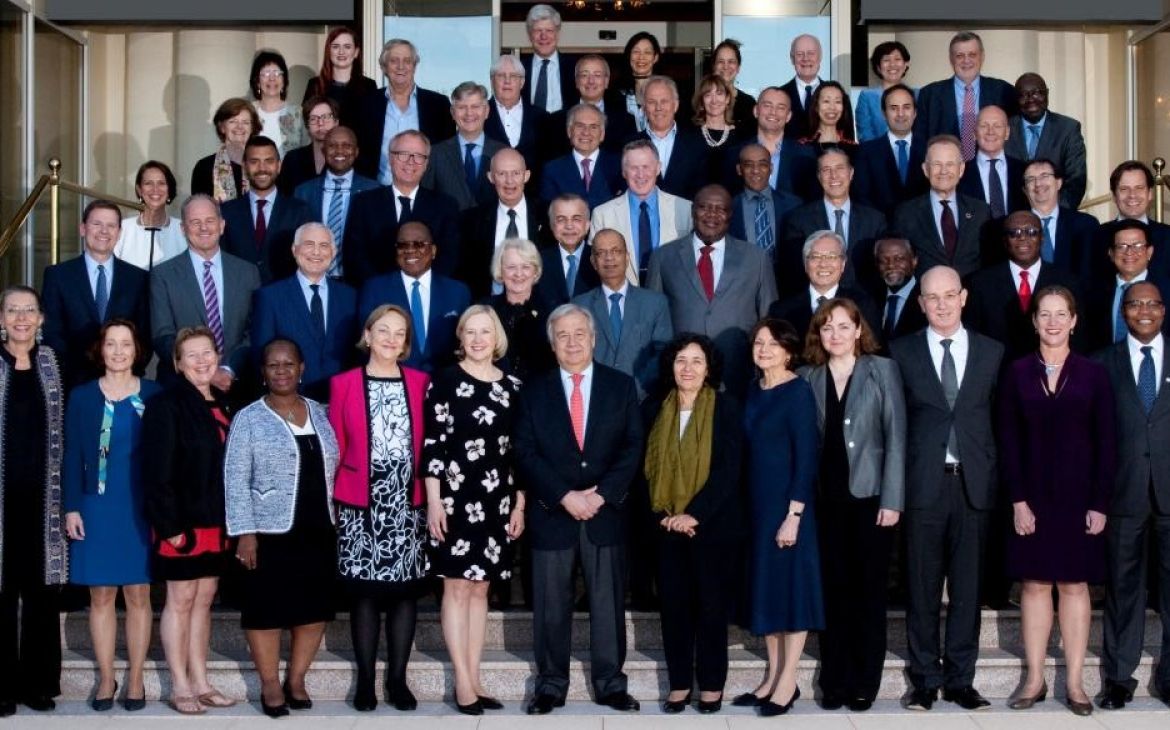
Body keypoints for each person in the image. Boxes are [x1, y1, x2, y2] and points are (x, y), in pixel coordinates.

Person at [513, 303, 644, 715]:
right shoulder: (533, 389)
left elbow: (633, 446)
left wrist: (601, 494)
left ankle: (610, 683)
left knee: (607, 603)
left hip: (605, 514)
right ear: (552, 345)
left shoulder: (621, 386)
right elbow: (524, 450)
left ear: (593, 339)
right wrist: (565, 496)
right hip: (553, 514)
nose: (572, 342)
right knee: (551, 604)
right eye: (563, 336)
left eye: (579, 334)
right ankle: (551, 684)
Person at [996, 285, 1116, 716]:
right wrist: (1018, 500)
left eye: (1060, 314)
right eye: (1043, 314)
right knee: (1033, 584)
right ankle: (1034, 679)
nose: (1051, 322)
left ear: (1074, 320)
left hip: (1080, 498)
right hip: (1032, 497)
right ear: (1033, 321)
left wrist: (1100, 502)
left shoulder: (1094, 373)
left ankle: (1077, 682)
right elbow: (1007, 441)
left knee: (1074, 584)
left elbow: (1108, 443)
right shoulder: (1016, 372)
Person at [889, 266, 1004, 712]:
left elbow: (997, 422)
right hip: (923, 487)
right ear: (919, 303)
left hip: (973, 485)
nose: (940, 304)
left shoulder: (992, 352)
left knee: (968, 590)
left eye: (948, 295)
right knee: (921, 588)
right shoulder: (901, 352)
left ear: (964, 297)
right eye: (931, 297)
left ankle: (961, 679)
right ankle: (924, 680)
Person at [224, 338, 339, 718]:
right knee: (265, 610)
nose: (282, 371)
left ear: (302, 367)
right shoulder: (249, 417)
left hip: (318, 527)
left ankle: (297, 678)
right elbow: (235, 477)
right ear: (263, 371)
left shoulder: (322, 413)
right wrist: (245, 531)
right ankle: (271, 683)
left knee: (313, 608)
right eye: (273, 365)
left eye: (289, 364)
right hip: (268, 533)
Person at [801, 298, 905, 711]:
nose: (836, 335)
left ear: (859, 330)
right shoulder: (807, 376)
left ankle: (865, 681)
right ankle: (835, 680)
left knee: (868, 594)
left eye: (844, 326)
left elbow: (897, 436)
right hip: (824, 502)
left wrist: (893, 499)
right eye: (827, 328)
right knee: (833, 593)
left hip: (871, 500)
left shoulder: (882, 370)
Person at [329, 304, 431, 712]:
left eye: (400, 333)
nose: (391, 339)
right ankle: (367, 682)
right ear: (367, 335)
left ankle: (398, 681)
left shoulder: (422, 382)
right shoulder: (344, 384)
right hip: (360, 500)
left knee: (405, 594)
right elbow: (334, 446)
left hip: (407, 501)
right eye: (383, 330)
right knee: (366, 595)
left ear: (406, 343)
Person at [423, 305, 524, 715]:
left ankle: (476, 677)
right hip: (454, 498)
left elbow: (520, 451)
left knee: (481, 587)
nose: (479, 339)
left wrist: (519, 502)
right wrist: (433, 501)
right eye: (471, 332)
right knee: (456, 585)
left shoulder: (514, 386)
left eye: (486, 331)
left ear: (496, 337)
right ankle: (462, 682)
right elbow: (433, 444)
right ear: (461, 338)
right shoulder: (444, 381)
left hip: (497, 499)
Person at [63, 319, 160, 713]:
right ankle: (106, 676)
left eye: (126, 344)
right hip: (96, 505)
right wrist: (71, 505)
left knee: (139, 593)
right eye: (111, 344)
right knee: (100, 594)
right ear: (100, 350)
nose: (118, 352)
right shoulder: (82, 396)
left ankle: (135, 676)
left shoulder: (154, 395)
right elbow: (71, 454)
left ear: (137, 351)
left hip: (140, 507)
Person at [644, 333, 743, 714]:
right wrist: (666, 517)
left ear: (709, 368)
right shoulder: (654, 408)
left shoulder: (726, 407)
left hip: (712, 526)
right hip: (667, 527)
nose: (688, 368)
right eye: (681, 360)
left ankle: (712, 686)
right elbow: (647, 472)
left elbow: (729, 468)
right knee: (675, 608)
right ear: (670, 366)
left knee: (711, 609)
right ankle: (680, 684)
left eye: (697, 361)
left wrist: (694, 513)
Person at [142, 326, 237, 715]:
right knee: (180, 601)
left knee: (204, 600)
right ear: (178, 364)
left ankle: (201, 681)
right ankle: (179, 685)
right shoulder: (166, 405)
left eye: (207, 353)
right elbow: (156, 473)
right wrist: (171, 528)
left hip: (218, 522)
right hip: (181, 523)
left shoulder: (228, 402)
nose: (202, 361)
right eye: (192, 355)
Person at [733, 318, 821, 716]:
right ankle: (771, 676)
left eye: (772, 344)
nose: (763, 349)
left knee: (792, 592)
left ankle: (789, 681)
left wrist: (794, 515)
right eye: (758, 343)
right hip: (757, 507)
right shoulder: (753, 389)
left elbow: (807, 458)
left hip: (788, 508)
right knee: (767, 590)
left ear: (789, 350)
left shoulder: (798, 391)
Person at [1098, 281, 1170, 710]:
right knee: (1123, 591)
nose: (1144, 311)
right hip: (1122, 495)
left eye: (1152, 304)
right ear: (1122, 312)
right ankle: (1119, 679)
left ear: (1163, 310)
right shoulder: (1101, 363)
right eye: (1135, 304)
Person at [0, 285, 67, 715]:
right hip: (2, 503)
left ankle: (39, 684)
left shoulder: (54, 364)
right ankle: (3, 687)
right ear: (1, 318)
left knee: (43, 594)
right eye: (12, 311)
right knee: (2, 595)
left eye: (29, 311)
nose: (21, 318)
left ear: (41, 318)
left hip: (46, 500)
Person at [648, 184, 777, 397]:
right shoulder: (663, 257)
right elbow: (653, 321)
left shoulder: (757, 258)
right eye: (704, 207)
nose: (712, 215)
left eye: (720, 209)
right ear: (692, 211)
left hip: (739, 374)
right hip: (682, 377)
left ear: (730, 215)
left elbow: (768, 320)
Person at [149, 194, 261, 388]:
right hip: (183, 387)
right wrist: (204, 372)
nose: (204, 228)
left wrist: (228, 369)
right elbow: (162, 335)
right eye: (195, 222)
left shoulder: (248, 272)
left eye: (210, 220)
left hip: (238, 384)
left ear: (222, 225)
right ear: (183, 229)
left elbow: (256, 330)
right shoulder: (163, 275)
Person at [42, 199, 150, 388]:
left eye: (111, 226)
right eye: (97, 224)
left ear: (119, 233)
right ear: (83, 229)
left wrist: (124, 372)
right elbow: (52, 334)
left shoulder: (138, 278)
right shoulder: (57, 276)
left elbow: (144, 335)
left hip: (125, 384)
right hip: (73, 384)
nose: (104, 231)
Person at [251, 222, 359, 402]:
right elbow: (261, 356)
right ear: (294, 250)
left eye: (324, 245)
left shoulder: (350, 296)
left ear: (333, 252)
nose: (316, 252)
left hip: (342, 400)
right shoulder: (270, 297)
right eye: (309, 244)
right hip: (289, 402)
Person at [344, 129, 461, 283]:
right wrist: (384, 290)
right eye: (403, 154)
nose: (410, 161)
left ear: (426, 164)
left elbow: (449, 258)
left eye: (419, 156)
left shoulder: (446, 206)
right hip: (378, 297)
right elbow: (355, 256)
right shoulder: (364, 203)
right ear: (390, 158)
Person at [964, 211, 1083, 362]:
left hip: (1055, 374)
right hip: (998, 378)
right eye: (1014, 233)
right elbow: (974, 339)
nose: (1022, 237)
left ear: (1042, 238)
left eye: (1031, 232)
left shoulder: (1068, 281)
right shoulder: (980, 284)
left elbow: (1079, 338)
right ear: (1005, 240)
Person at [574, 228, 673, 402]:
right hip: (595, 400)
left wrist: (633, 391)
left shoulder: (655, 303)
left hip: (643, 400)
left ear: (627, 257)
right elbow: (575, 354)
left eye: (616, 251)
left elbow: (662, 354)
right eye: (601, 253)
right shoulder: (579, 305)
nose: (609, 258)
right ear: (593, 262)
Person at [357, 221, 471, 373]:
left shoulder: (458, 292)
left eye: (418, 244)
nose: (410, 250)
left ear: (434, 250)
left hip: (445, 383)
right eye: (403, 245)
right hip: (393, 382)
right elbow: (366, 342)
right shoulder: (374, 289)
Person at [780, 147, 887, 295]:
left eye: (839, 168)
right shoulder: (798, 220)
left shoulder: (875, 220)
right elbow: (794, 273)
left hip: (864, 305)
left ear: (851, 173)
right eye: (826, 170)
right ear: (819, 176)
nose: (833, 176)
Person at [590, 140, 693, 285]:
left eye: (646, 167)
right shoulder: (602, 214)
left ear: (657, 169)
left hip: (671, 299)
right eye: (633, 168)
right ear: (624, 172)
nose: (640, 174)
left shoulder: (685, 209)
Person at [355, 38, 454, 183]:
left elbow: (446, 156)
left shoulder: (438, 105)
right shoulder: (366, 104)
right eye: (394, 61)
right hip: (378, 193)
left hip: (424, 196)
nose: (401, 66)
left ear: (414, 66)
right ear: (384, 67)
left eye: (407, 61)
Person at [893, 134, 991, 278]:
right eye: (937, 165)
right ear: (926, 169)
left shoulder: (981, 211)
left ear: (961, 169)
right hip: (926, 296)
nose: (943, 171)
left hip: (972, 296)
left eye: (950, 164)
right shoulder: (905, 214)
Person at [220, 135, 313, 284]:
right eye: (254, 162)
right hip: (239, 298)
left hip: (283, 299)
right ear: (244, 166)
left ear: (279, 165)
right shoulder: (226, 212)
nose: (262, 168)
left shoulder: (299, 211)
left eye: (268, 161)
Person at [292, 126, 380, 280]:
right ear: (323, 150)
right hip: (314, 278)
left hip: (359, 282)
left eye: (347, 146)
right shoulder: (303, 191)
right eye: (332, 146)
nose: (340, 151)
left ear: (356, 152)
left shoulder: (374, 190)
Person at [459, 149, 549, 299]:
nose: (509, 181)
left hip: (540, 306)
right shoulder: (471, 221)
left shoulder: (546, 215)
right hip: (489, 308)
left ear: (526, 176)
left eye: (515, 173)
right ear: (491, 177)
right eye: (502, 174)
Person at [913, 31, 1016, 159]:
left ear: (982, 57)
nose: (966, 60)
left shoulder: (1003, 91)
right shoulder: (929, 95)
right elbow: (920, 144)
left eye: (972, 54)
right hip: (944, 174)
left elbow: (1014, 138)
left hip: (989, 173)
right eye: (959, 56)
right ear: (951, 59)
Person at [769, 231, 881, 341]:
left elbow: (873, 351)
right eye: (815, 257)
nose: (823, 264)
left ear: (843, 264)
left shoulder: (863, 306)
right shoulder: (781, 311)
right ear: (805, 264)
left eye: (831, 257)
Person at [1005, 73, 1087, 209]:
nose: (1031, 99)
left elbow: (1076, 181)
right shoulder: (1004, 128)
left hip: (1056, 216)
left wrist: (1050, 214)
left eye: (1037, 93)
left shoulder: (1068, 129)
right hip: (1013, 219)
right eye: (1024, 94)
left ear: (1047, 93)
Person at [1085, 221, 1170, 352]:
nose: (1129, 252)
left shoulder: (1166, 291)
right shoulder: (1093, 292)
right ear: (1111, 254)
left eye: (1137, 245)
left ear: (1149, 252)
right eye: (1121, 246)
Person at [719, 87, 817, 200]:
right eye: (767, 105)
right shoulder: (735, 154)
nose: (773, 112)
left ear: (788, 116)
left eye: (780, 107)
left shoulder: (805, 155)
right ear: (756, 111)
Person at [421, 82, 505, 212]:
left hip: (491, 230)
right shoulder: (435, 154)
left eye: (475, 106)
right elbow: (426, 201)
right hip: (448, 230)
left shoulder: (503, 153)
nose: (469, 113)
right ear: (453, 113)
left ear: (487, 111)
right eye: (461, 107)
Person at [488, 238, 556, 383]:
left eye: (526, 266)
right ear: (500, 270)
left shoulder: (552, 312)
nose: (518, 274)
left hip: (539, 392)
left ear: (535, 271)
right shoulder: (486, 310)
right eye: (511, 267)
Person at [853, 84, 929, 212]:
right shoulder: (866, 152)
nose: (900, 114)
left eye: (906, 107)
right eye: (894, 108)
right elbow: (862, 198)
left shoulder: (929, 150)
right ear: (884, 113)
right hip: (880, 228)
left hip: (922, 228)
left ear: (915, 113)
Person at [539, 103, 624, 212]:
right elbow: (551, 213)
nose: (586, 132)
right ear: (569, 131)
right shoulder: (552, 170)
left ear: (602, 134)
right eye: (580, 126)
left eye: (593, 127)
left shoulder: (619, 166)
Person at [1022, 158, 1098, 278]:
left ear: (1059, 183)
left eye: (1044, 176)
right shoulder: (1012, 228)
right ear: (1025, 189)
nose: (1038, 184)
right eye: (1030, 179)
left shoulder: (1086, 225)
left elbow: (1091, 274)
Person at [730, 143, 802, 265]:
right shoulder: (729, 208)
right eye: (748, 165)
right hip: (744, 281)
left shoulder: (794, 205)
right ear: (739, 169)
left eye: (762, 164)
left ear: (771, 168)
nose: (756, 170)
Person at [637, 76, 708, 200]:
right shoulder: (630, 144)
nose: (658, 108)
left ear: (675, 105)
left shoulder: (696, 143)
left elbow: (702, 190)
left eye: (664, 101)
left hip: (685, 216)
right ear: (643, 108)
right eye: (652, 102)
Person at [484, 54, 549, 180]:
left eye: (513, 76)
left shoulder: (542, 117)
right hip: (488, 196)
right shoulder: (479, 115)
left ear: (522, 82)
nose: (507, 81)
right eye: (501, 76)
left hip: (533, 196)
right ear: (492, 81)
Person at [956, 105, 1027, 221]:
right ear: (974, 133)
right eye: (984, 126)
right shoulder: (960, 173)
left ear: (1007, 132)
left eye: (997, 126)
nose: (990, 131)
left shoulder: (1024, 171)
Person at [114, 161, 186, 271]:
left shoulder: (183, 230)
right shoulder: (123, 229)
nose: (155, 189)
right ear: (139, 190)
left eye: (161, 183)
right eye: (148, 183)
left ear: (169, 189)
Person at [302, 26, 377, 131]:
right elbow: (308, 123)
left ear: (356, 52)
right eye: (336, 46)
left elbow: (372, 124)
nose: (341, 52)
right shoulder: (315, 85)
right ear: (329, 51)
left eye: (347, 47)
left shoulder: (369, 86)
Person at [191, 97, 260, 202]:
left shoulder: (263, 165)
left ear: (252, 128)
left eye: (245, 122)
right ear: (222, 127)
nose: (239, 127)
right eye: (233, 121)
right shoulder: (204, 167)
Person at [536, 194, 600, 306]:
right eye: (561, 219)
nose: (569, 226)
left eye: (576, 219)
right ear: (551, 225)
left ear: (587, 225)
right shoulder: (538, 261)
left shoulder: (600, 260)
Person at [520, 4, 577, 114]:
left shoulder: (574, 68)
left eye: (549, 30)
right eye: (538, 30)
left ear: (557, 34)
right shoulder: (518, 69)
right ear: (529, 35)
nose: (543, 36)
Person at [249, 50, 307, 158]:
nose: (272, 78)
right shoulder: (247, 112)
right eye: (266, 73)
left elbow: (307, 151)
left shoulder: (298, 113)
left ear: (284, 80)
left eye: (277, 73)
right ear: (257, 81)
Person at [276, 96, 339, 194]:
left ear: (336, 122)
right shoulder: (292, 159)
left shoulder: (345, 158)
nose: (320, 123)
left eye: (326, 117)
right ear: (307, 125)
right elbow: (283, 198)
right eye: (313, 119)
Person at [871, 237, 927, 341]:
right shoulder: (870, 299)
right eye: (884, 260)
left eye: (899, 259)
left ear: (914, 261)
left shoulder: (927, 298)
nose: (891, 265)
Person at [855, 41, 912, 142]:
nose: (892, 64)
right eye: (886, 60)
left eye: (897, 59)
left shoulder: (919, 94)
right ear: (878, 67)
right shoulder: (867, 96)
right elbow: (865, 135)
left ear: (905, 64)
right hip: (876, 155)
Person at [779, 34, 824, 141]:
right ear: (792, 59)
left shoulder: (837, 96)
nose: (805, 59)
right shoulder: (779, 95)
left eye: (811, 53)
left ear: (820, 57)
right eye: (799, 54)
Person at [710, 38, 757, 137]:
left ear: (738, 68)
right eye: (720, 61)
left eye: (731, 61)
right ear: (713, 66)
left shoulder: (748, 103)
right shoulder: (702, 100)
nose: (725, 66)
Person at [617, 32, 662, 133]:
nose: (641, 57)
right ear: (629, 56)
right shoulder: (616, 93)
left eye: (647, 52)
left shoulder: (666, 91)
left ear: (655, 58)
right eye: (636, 52)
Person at [799, 81, 856, 152]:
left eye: (838, 102)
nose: (832, 107)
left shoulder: (854, 148)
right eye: (826, 101)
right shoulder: (802, 146)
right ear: (816, 106)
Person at [692, 73, 738, 151]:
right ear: (702, 102)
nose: (714, 100)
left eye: (719, 94)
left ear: (727, 99)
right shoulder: (690, 135)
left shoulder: (740, 137)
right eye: (708, 95)